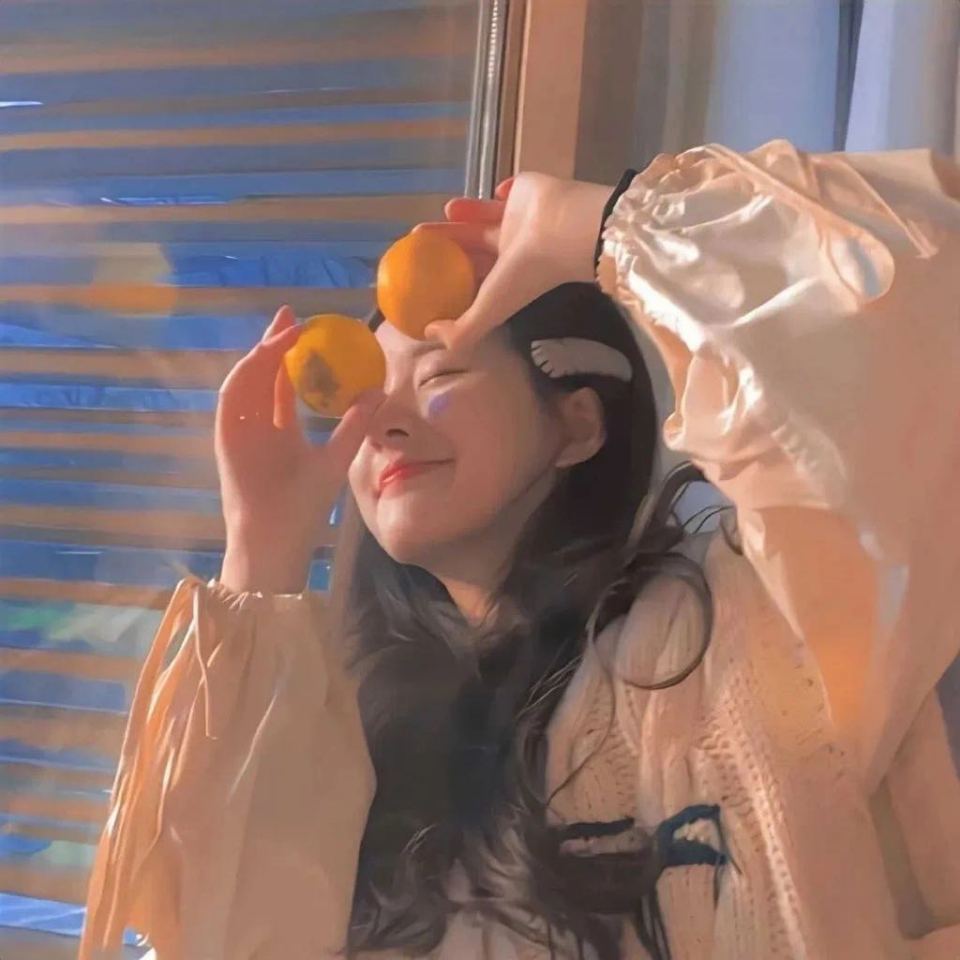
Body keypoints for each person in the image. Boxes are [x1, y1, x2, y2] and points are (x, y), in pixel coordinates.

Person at [80, 140, 960, 960]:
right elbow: (219, 928)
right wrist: (261, 556)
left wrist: (602, 227)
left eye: (441, 376)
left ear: (576, 425)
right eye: (360, 403)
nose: (381, 425)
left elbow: (912, 315)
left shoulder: (750, 621)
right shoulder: (359, 752)